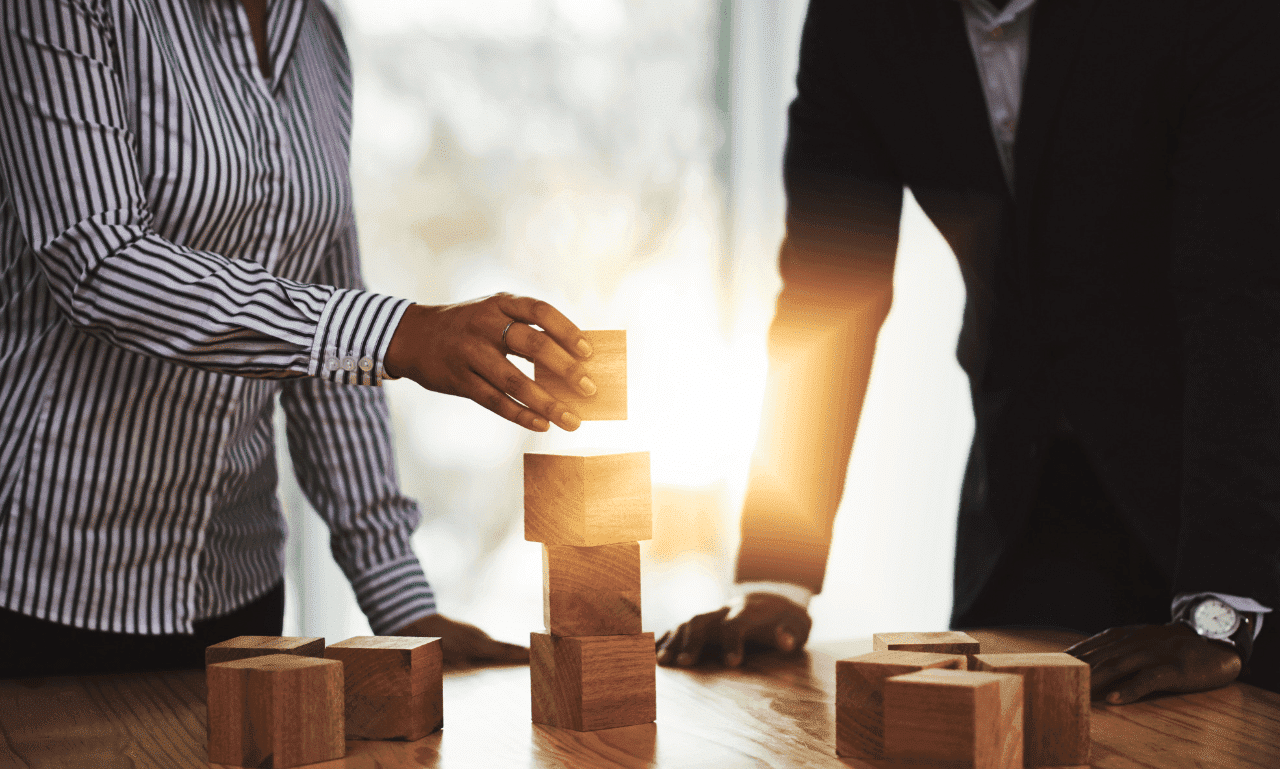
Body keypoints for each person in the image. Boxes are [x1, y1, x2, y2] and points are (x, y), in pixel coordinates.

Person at [658, 0, 1280, 700]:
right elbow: (826, 294)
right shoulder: (855, 22)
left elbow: (1240, 291)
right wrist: (777, 576)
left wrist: (1224, 610)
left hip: (1244, 492)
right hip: (1030, 493)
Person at [0, 0, 595, 676]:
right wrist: (397, 330)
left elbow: (333, 340)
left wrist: (397, 597)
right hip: (46, 592)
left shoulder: (316, 35)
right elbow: (101, 264)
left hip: (237, 594)